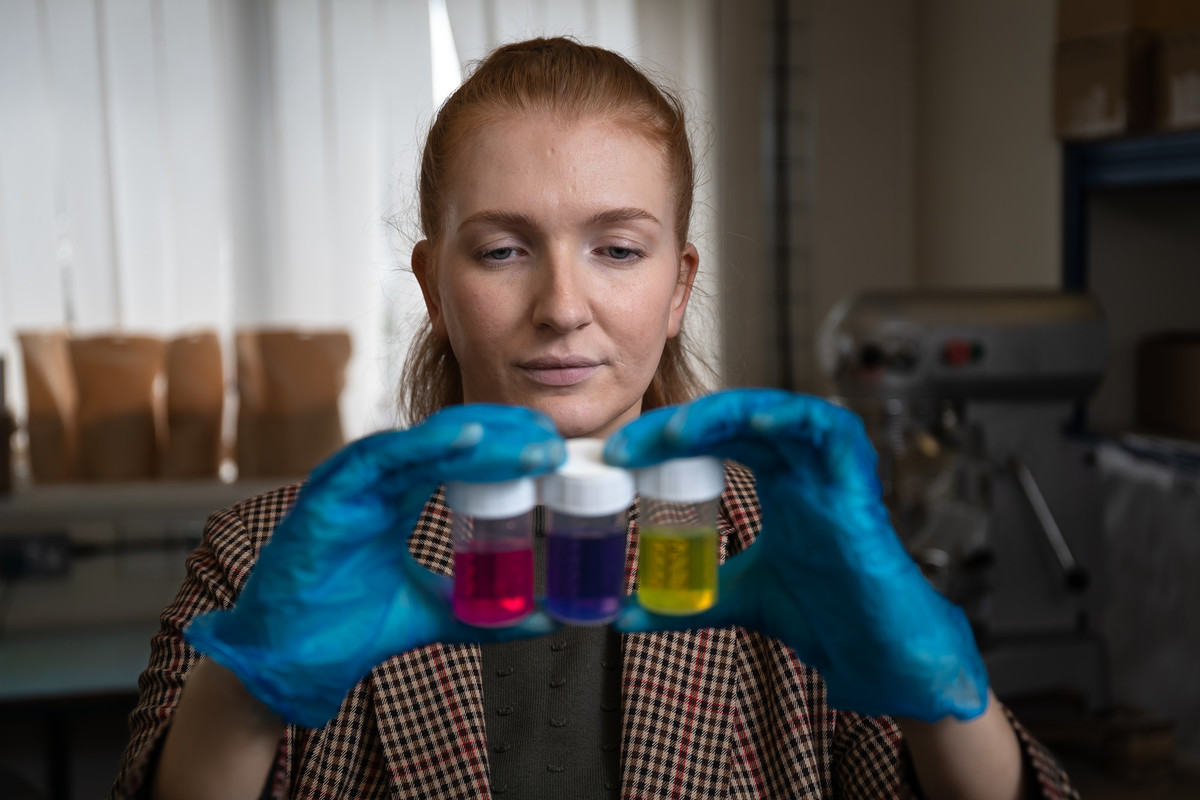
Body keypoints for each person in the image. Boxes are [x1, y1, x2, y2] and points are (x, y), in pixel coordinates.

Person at [112, 37, 1078, 799]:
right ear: (434, 288)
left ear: (676, 286)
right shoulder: (265, 557)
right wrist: (241, 702)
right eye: (501, 251)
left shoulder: (789, 551)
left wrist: (943, 701)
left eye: (617, 249)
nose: (563, 305)